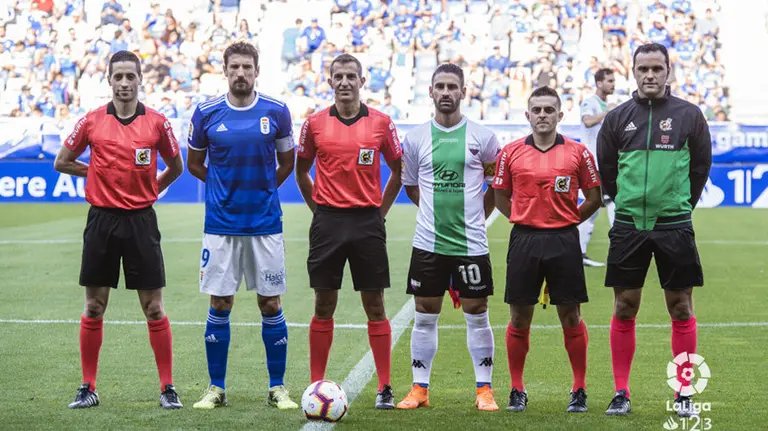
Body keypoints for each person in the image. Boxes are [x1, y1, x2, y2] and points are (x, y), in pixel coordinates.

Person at [54, 50, 185, 409]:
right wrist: (95, 172)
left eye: (131, 77)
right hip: (101, 221)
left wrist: (152, 188)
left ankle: (167, 388)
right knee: (94, 306)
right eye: (118, 77)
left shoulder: (157, 123)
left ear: (140, 79)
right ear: (109, 80)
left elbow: (176, 167)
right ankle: (87, 387)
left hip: (142, 221)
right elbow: (62, 161)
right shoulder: (92, 121)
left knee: (154, 308)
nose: (125, 83)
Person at [598, 43, 712, 417]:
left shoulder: (689, 116)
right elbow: (608, 174)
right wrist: (627, 204)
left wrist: (678, 206)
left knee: (680, 307)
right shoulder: (616, 119)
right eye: (643, 68)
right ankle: (621, 392)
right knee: (625, 306)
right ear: (633, 72)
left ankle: (684, 392)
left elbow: (700, 170)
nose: (650, 75)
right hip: (630, 226)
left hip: (674, 225)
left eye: (657, 68)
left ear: (668, 72)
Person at [186, 40, 299, 410]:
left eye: (246, 68)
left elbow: (286, 162)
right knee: (220, 302)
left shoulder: (277, 111)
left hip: (265, 224)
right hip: (220, 225)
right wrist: (225, 192)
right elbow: (194, 164)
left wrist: (263, 190)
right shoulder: (206, 113)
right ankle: (216, 388)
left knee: (270, 302)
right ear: (225, 70)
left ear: (256, 70)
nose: (240, 74)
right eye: (234, 67)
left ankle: (277, 387)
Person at [296, 53, 403, 409]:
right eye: (338, 76)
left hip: (367, 221)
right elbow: (302, 171)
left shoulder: (382, 123)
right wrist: (320, 211)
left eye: (350, 76)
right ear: (329, 81)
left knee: (375, 303)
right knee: (324, 303)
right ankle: (316, 385)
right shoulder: (313, 124)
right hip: (328, 222)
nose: (344, 82)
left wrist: (380, 212)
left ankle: (385, 387)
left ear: (362, 80)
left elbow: (398, 171)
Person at [396, 63, 500, 412]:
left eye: (451, 87)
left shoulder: (483, 138)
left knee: (477, 311)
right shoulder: (414, 139)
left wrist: (476, 218)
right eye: (439, 86)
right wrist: (433, 216)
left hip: (471, 244)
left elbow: (495, 187)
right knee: (424, 313)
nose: (445, 92)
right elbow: (411, 187)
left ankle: (484, 389)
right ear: (429, 91)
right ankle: (419, 389)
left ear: (463, 92)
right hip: (428, 243)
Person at [493, 86, 602, 413]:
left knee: (571, 316)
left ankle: (579, 389)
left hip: (563, 240)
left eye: (548, 110)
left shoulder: (578, 152)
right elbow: (500, 196)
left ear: (559, 114)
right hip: (524, 239)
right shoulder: (511, 152)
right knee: (519, 315)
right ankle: (516, 389)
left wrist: (567, 220)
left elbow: (594, 197)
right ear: (527, 115)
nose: (542, 115)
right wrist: (524, 217)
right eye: (536, 110)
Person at [578, 67, 617, 267]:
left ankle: (580, 253)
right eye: (609, 80)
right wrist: (606, 112)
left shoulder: (610, 104)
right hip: (592, 162)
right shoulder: (590, 102)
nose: (613, 84)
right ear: (599, 83)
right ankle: (620, 247)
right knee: (607, 204)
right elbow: (587, 121)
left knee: (598, 207)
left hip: (606, 162)